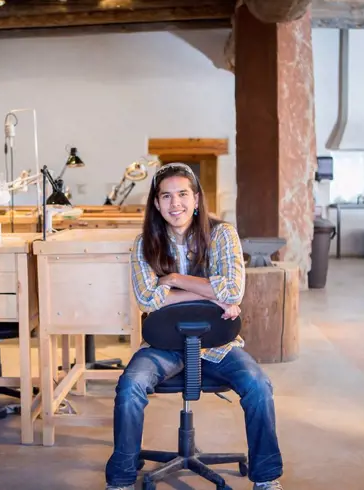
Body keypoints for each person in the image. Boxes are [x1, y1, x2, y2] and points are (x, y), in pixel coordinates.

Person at [104, 163, 284, 490]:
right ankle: (120, 481)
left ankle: (267, 479)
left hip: (219, 345)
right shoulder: (143, 244)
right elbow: (148, 298)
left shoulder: (222, 234)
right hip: (163, 346)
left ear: (197, 199)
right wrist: (210, 294)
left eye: (183, 194)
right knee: (129, 387)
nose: (176, 204)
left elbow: (233, 290)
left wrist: (172, 280)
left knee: (259, 386)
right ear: (156, 204)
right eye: (167, 196)